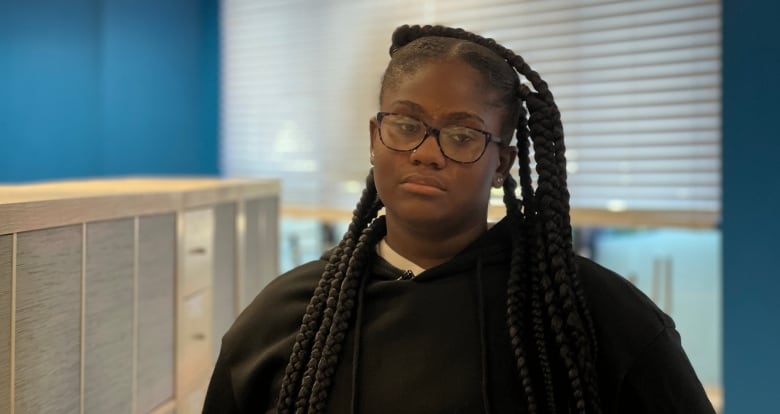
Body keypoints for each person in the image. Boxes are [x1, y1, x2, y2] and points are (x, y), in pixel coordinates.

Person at [203, 24, 716, 414]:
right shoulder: (283, 319)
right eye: (405, 125)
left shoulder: (592, 316)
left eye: (463, 134)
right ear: (374, 138)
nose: (427, 153)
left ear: (502, 164)